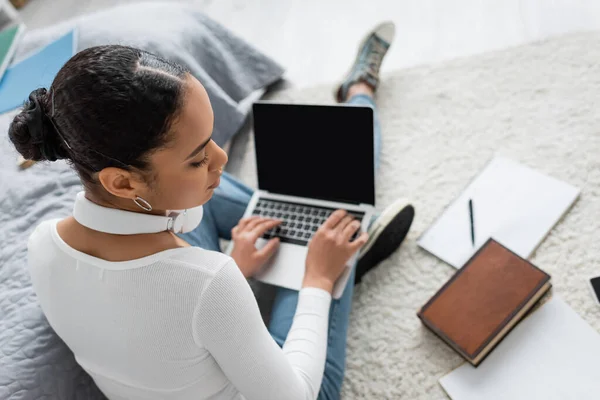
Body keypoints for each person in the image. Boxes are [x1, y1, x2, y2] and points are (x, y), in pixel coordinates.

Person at [9, 21, 414, 400]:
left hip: (185, 351)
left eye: (211, 140)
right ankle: (359, 94)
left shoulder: (41, 243)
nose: (222, 158)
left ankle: (326, 231)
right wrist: (318, 278)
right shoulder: (210, 283)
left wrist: (233, 267)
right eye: (198, 158)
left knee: (211, 196)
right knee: (336, 209)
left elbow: (154, 315)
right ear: (122, 182)